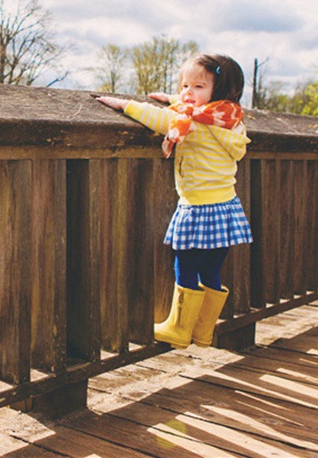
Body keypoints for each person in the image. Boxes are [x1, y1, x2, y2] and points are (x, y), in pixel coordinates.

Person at [96, 53, 252, 349]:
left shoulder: (193, 123)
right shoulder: (231, 121)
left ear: (219, 92)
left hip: (197, 207)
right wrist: (173, 98)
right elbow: (189, 108)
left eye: (198, 87)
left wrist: (124, 105)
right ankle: (204, 332)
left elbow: (159, 119)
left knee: (185, 263)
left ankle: (178, 328)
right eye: (184, 86)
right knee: (211, 270)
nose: (187, 93)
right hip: (226, 208)